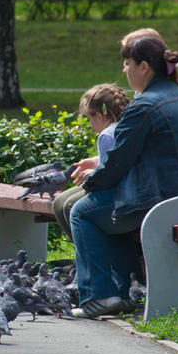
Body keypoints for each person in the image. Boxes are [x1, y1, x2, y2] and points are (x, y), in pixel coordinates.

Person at [70, 33, 178, 319]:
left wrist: (90, 184)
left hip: (161, 204)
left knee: (82, 211)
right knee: (110, 209)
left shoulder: (143, 106)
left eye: (127, 63)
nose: (124, 70)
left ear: (144, 67)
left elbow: (117, 161)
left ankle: (99, 295)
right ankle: (124, 291)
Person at [52, 83, 129, 240]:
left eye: (89, 118)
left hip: (114, 190)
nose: (90, 124)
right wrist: (95, 161)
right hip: (113, 184)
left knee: (67, 205)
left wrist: (93, 173)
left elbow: (110, 175)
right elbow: (114, 159)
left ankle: (86, 249)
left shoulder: (106, 135)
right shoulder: (121, 127)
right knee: (60, 202)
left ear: (99, 116)